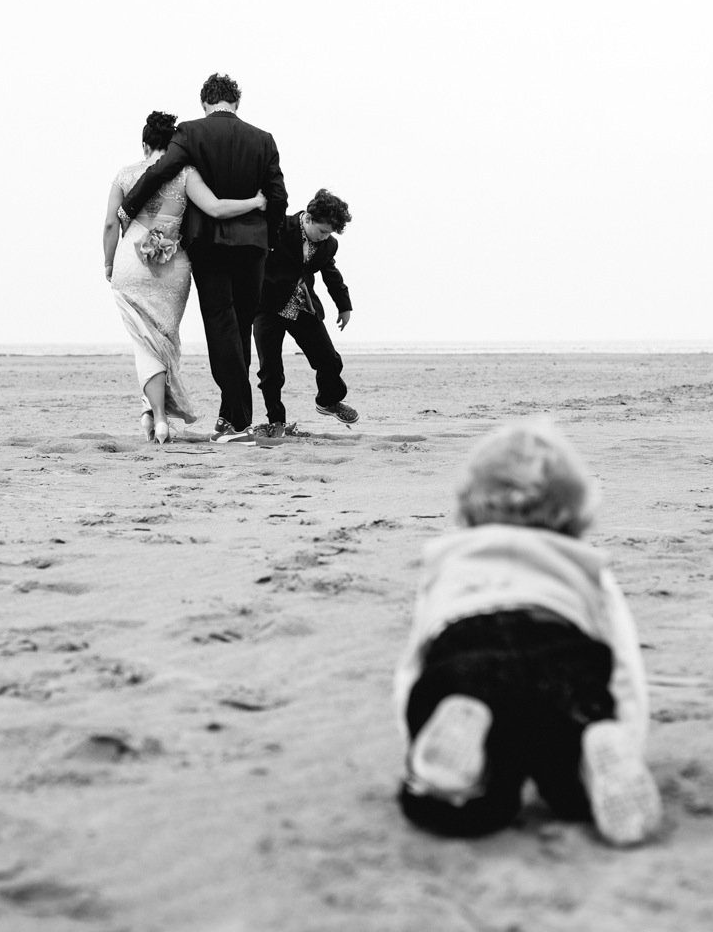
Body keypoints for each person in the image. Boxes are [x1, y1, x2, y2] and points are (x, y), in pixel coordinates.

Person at [393, 419, 662, 846]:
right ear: (575, 509)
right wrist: (624, 731)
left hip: (465, 657)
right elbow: (623, 660)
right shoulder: (583, 565)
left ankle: (464, 749)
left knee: (469, 804)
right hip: (561, 659)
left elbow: (416, 657)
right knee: (564, 778)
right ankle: (593, 754)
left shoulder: (450, 560)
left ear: (468, 504)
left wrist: (417, 736)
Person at [120, 74, 287, 443]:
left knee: (221, 328)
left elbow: (161, 170)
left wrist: (128, 209)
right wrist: (268, 239)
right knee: (240, 329)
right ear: (236, 102)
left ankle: (240, 420)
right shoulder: (263, 139)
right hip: (253, 247)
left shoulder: (192, 133)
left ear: (205, 102)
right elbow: (278, 197)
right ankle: (230, 417)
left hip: (210, 246)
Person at [253, 188, 357, 436]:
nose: (324, 237)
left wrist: (344, 305)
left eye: (329, 233)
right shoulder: (278, 226)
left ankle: (328, 400)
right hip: (266, 307)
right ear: (308, 218)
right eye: (322, 231)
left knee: (330, 360)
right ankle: (276, 421)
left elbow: (330, 273)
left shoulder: (328, 244)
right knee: (271, 371)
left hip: (301, 307)